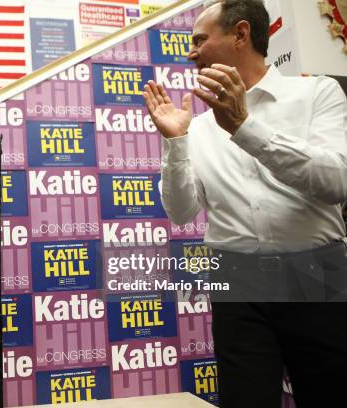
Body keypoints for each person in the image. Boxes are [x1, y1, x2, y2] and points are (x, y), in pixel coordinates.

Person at [142, 0, 347, 407]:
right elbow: (182, 212)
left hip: (320, 274)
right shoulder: (198, 127)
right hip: (238, 283)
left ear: (240, 34)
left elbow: (337, 181)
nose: (191, 51)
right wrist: (176, 143)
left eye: (200, 39)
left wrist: (243, 127)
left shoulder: (317, 92)